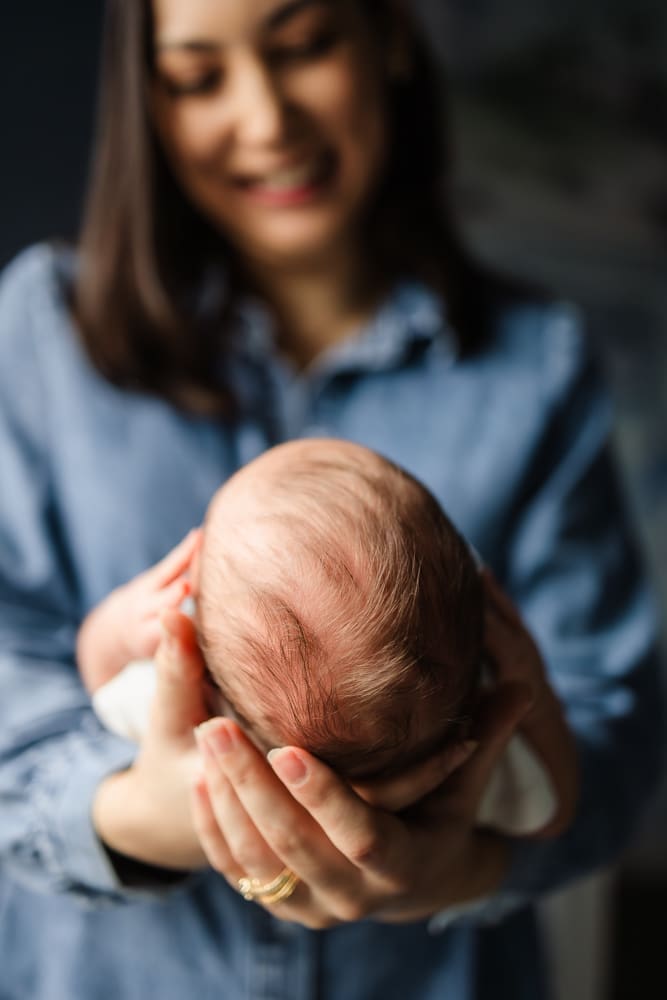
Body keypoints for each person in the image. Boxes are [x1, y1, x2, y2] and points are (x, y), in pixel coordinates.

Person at [0, 0, 661, 998]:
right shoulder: (47, 334)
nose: (265, 120)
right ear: (147, 96)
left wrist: (455, 866)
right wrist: (138, 816)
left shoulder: (535, 367)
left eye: (302, 46)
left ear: (390, 36)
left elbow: (610, 744)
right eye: (196, 76)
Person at [78, 437, 560, 835]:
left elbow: (98, 681)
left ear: (201, 666)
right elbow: (553, 811)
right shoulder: (473, 756)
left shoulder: (183, 714)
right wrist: (529, 686)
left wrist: (116, 629)